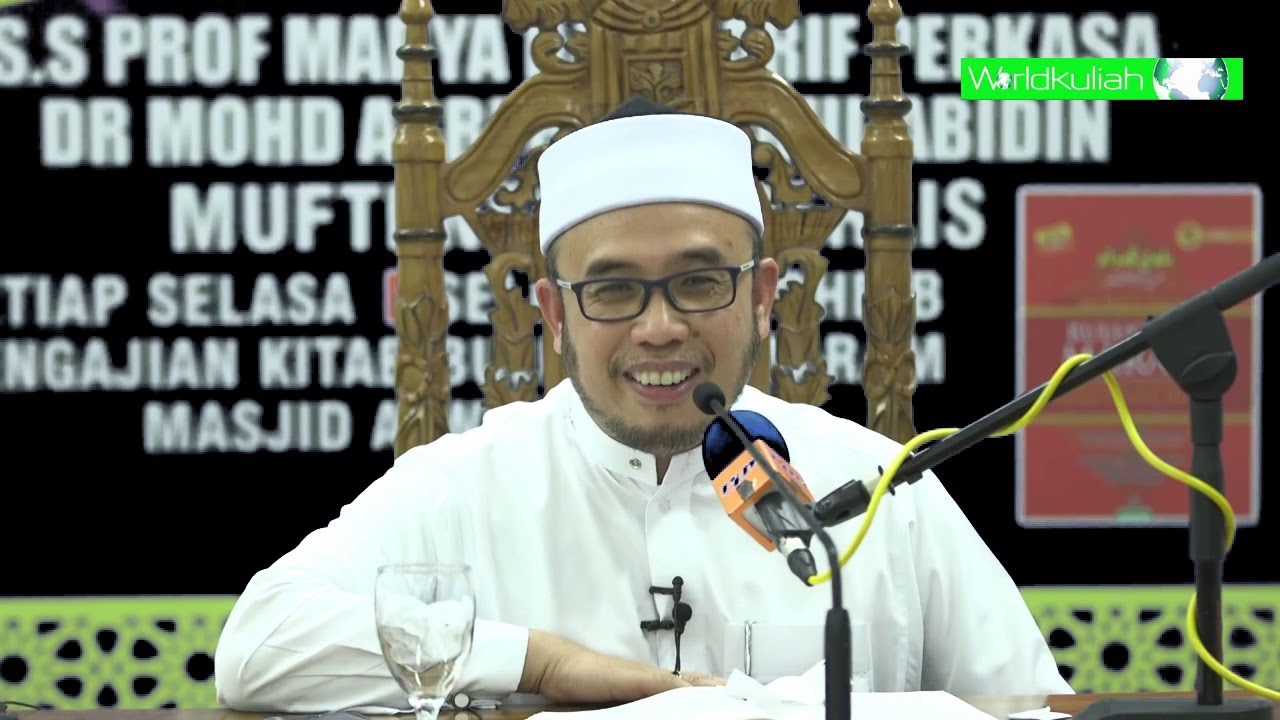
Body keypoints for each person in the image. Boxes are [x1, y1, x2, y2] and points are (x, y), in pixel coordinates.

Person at [213, 97, 1073, 713]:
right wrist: (543, 664)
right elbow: (257, 648)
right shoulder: (460, 487)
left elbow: (1033, 706)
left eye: (699, 282)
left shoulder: (878, 486)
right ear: (554, 315)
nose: (660, 329)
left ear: (762, 296)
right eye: (613, 289)